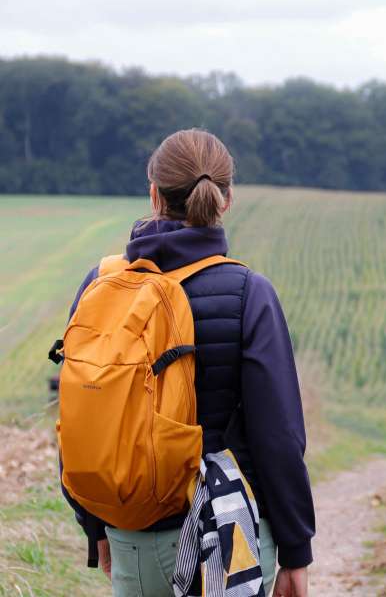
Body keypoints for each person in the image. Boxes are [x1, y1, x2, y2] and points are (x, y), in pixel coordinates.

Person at [63, 129, 314, 597]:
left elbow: (83, 414)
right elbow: (277, 435)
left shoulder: (101, 284)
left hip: (130, 534)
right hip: (226, 538)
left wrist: (95, 524)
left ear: (153, 193)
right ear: (227, 199)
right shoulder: (248, 294)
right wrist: (296, 550)